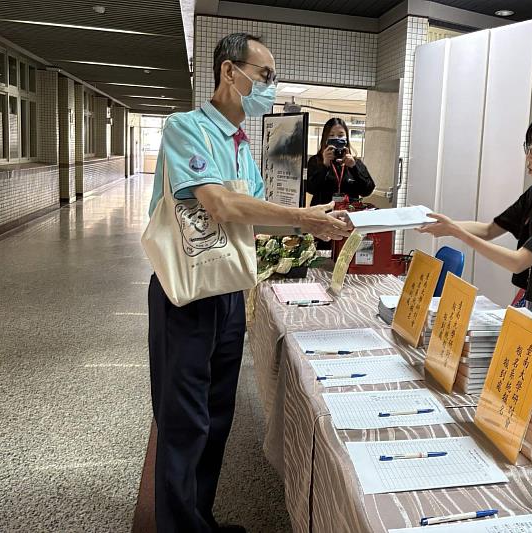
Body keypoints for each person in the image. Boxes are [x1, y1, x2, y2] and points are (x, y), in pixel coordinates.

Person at [146, 33, 351, 533]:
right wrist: (301, 216)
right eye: (264, 75)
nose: (269, 86)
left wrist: (320, 221)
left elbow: (255, 219)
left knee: (216, 416)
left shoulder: (243, 145)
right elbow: (220, 204)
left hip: (229, 293)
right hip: (186, 294)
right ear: (228, 72)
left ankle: (200, 518)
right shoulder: (186, 129)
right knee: (184, 421)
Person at [418, 109, 532, 353]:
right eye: (528, 148)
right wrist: (440, 224)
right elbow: (487, 230)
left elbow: (518, 262)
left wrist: (458, 232)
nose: (529, 158)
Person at [306, 118, 375, 207]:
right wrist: (325, 166)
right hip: (323, 215)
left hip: (348, 214)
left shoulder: (355, 162)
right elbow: (310, 189)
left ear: (346, 138)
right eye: (331, 135)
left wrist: (354, 167)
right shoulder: (316, 161)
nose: (336, 138)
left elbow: (367, 190)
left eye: (340, 135)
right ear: (325, 138)